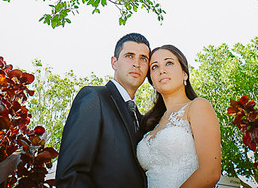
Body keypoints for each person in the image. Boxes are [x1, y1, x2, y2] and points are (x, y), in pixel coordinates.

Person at [55, 32, 151, 188]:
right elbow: (70, 176)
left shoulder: (141, 119)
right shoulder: (94, 98)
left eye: (143, 58)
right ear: (114, 62)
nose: (137, 64)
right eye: (129, 56)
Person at [137, 44, 221, 188]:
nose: (161, 70)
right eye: (154, 67)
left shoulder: (197, 106)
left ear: (184, 74)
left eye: (169, 63)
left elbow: (210, 172)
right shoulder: (149, 124)